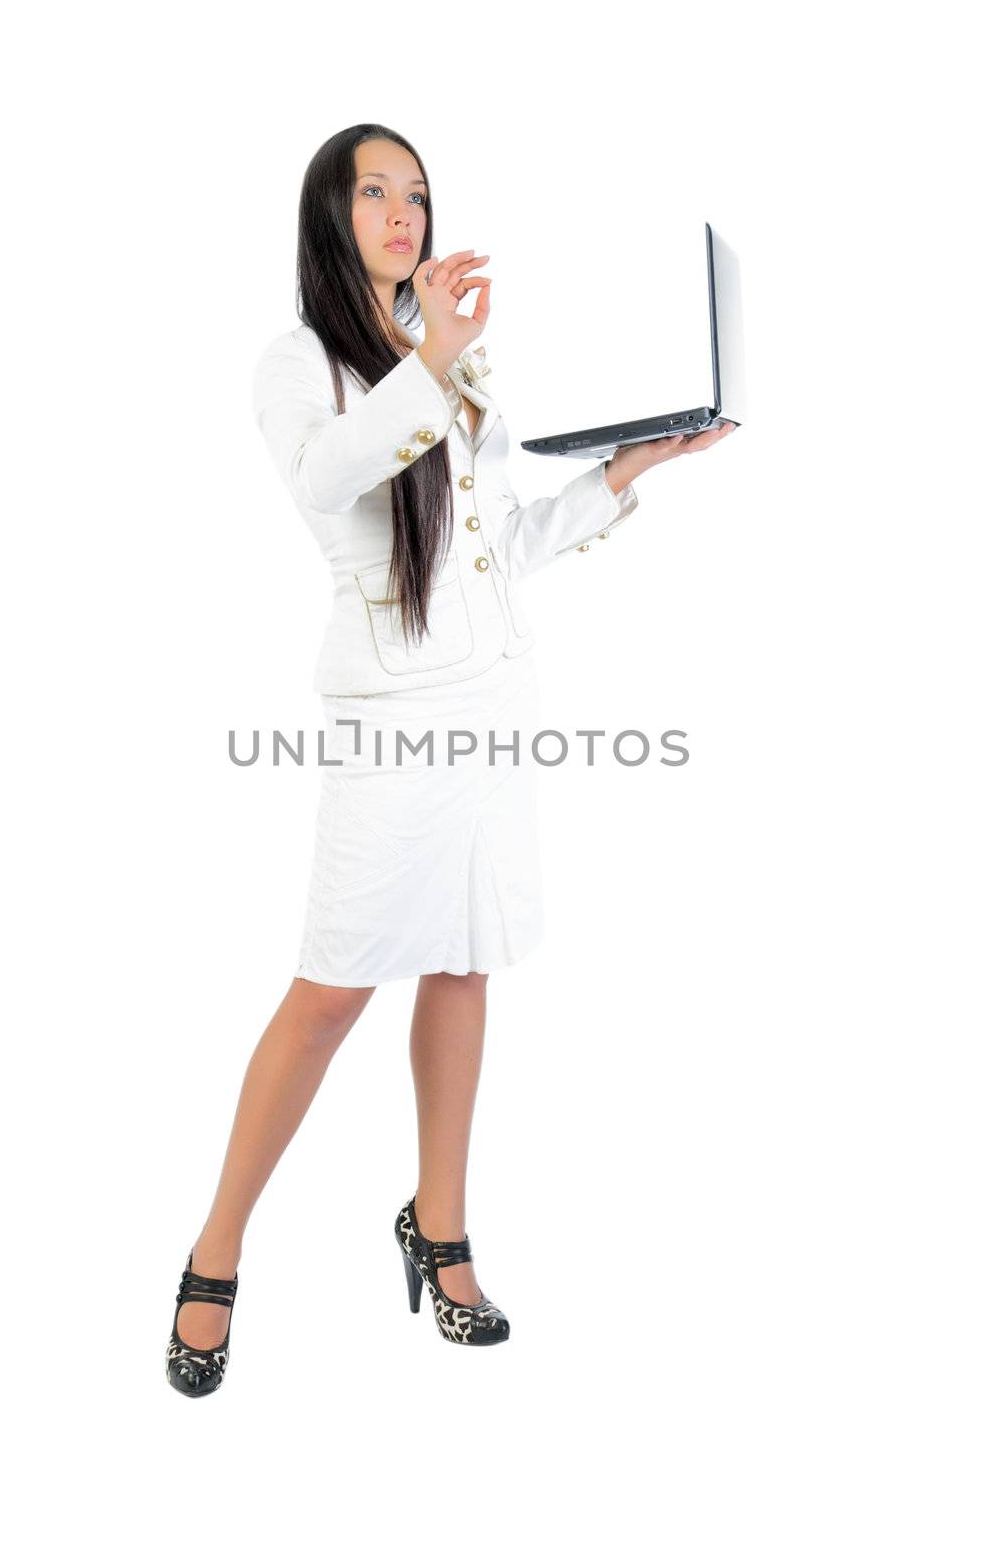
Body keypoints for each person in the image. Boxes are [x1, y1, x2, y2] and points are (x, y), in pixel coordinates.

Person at [165, 123, 735, 1394]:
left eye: (416, 193)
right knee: (328, 992)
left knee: (467, 964)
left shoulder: (454, 360)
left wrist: (639, 463)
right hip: (388, 724)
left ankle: (443, 1223)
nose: (403, 212)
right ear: (330, 215)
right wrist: (435, 356)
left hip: (490, 707)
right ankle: (215, 1249)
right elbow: (330, 477)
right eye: (375, 192)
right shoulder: (299, 361)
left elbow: (501, 543)